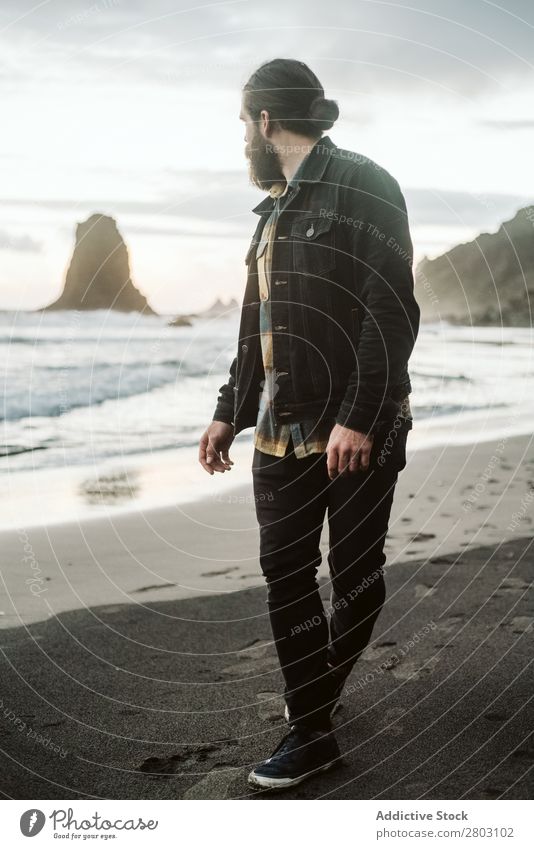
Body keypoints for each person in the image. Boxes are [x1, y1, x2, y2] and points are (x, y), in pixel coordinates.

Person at [199, 58, 420, 790]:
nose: (241, 141)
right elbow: (253, 324)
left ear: (266, 119)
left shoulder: (366, 183)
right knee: (286, 575)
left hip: (357, 428)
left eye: (242, 125)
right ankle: (313, 721)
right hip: (277, 430)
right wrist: (228, 410)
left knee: (356, 577)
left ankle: (312, 713)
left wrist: (360, 418)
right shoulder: (269, 215)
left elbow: (391, 309)